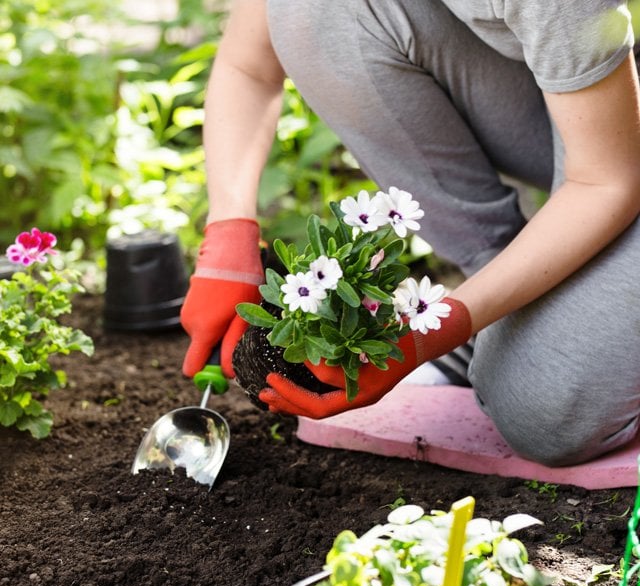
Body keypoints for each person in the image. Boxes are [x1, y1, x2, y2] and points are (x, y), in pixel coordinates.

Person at [180, 0, 640, 467]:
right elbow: (249, 65)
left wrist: (437, 332)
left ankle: (526, 336)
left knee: (545, 415)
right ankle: (510, 313)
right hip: (585, 106)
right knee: (317, 10)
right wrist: (228, 233)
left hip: (613, 147)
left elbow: (606, 181)